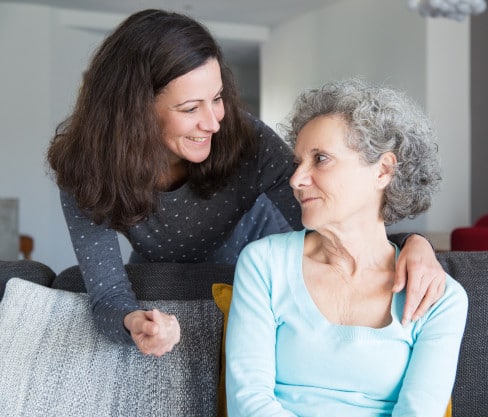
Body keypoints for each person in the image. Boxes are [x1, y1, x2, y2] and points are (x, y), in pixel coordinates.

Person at [46, 9, 446, 358]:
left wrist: (412, 243)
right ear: (132, 111)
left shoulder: (246, 139)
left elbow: (338, 220)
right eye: (190, 108)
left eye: (217, 97)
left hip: (253, 280)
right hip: (163, 283)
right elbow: (107, 296)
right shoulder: (87, 170)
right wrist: (134, 322)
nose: (213, 121)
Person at [226, 78, 468, 416]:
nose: (296, 180)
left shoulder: (440, 299)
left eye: (321, 159)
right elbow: (248, 403)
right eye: (298, 163)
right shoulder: (264, 263)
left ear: (383, 170)